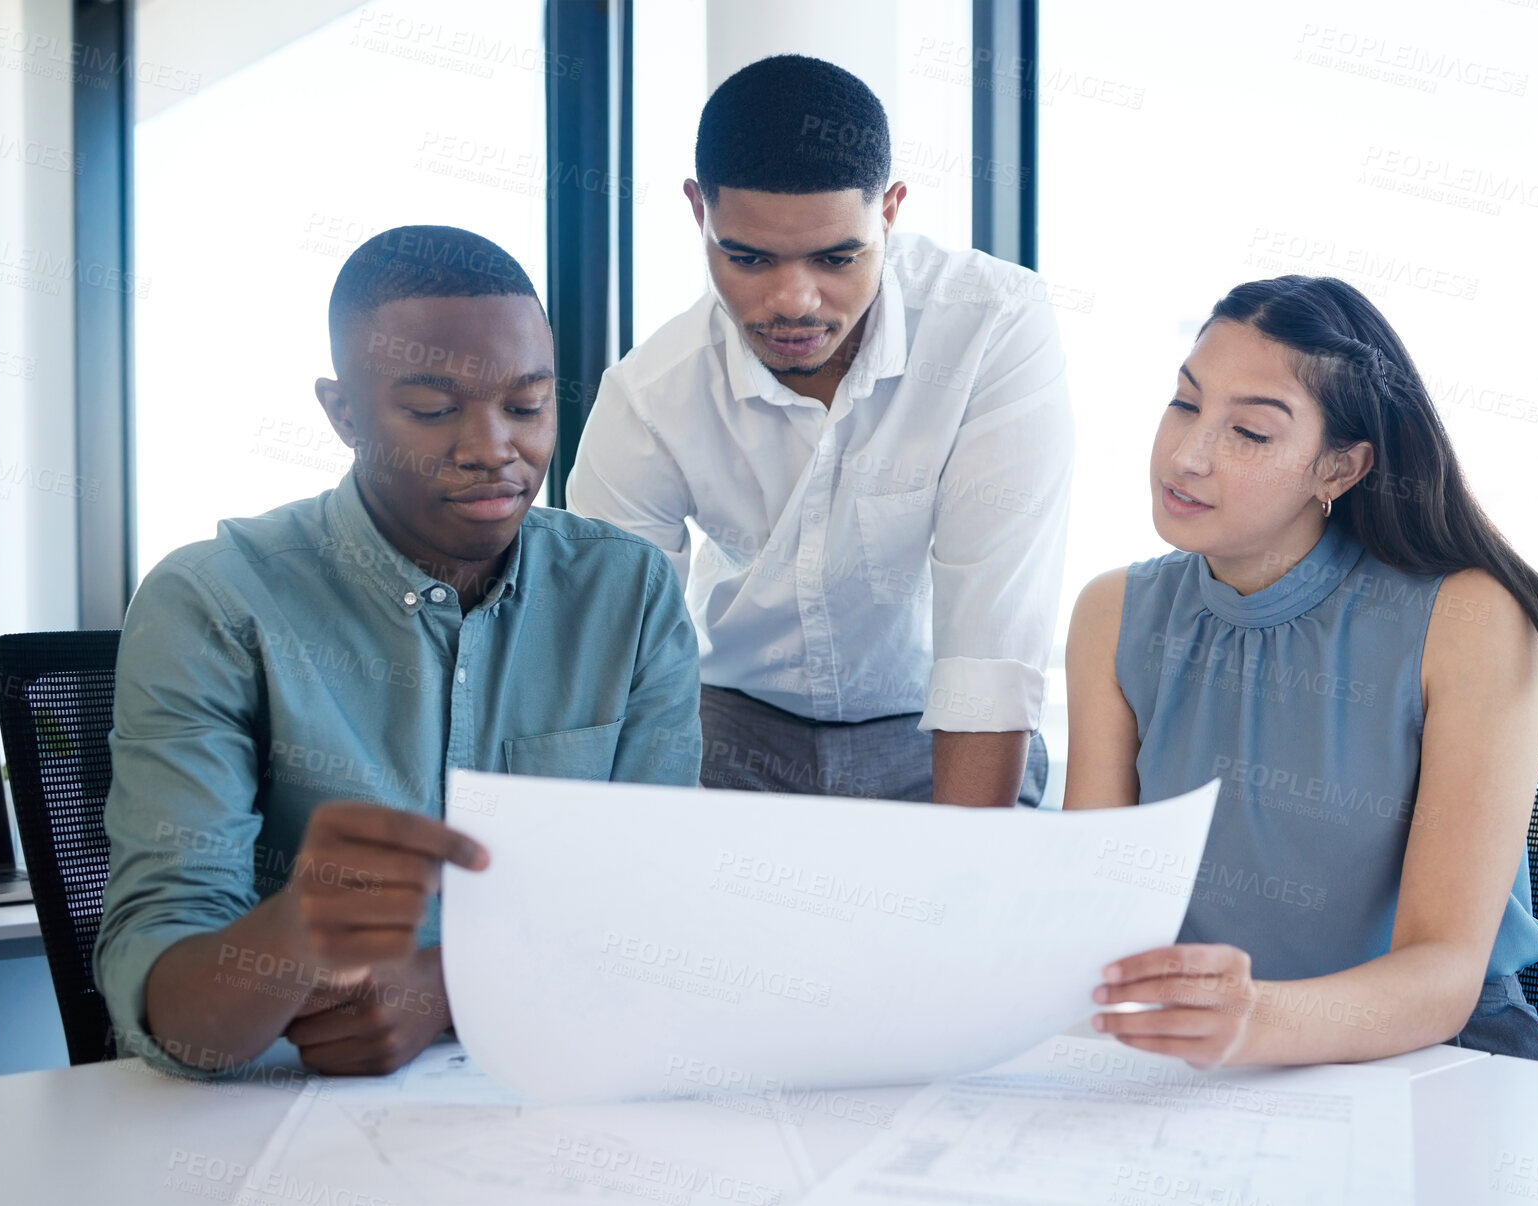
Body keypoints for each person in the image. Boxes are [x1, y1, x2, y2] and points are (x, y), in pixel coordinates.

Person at [93, 226, 702, 1077]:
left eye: (527, 406)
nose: (494, 448)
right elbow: (174, 1020)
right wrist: (299, 928)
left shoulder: (626, 593)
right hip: (284, 1108)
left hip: (552, 1081)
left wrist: (441, 991)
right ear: (342, 413)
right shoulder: (215, 603)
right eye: (432, 410)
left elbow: (655, 917)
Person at [1065, 274, 1538, 1068]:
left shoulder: (1471, 619)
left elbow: (1444, 973)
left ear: (1338, 470)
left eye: (1251, 433)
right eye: (1185, 402)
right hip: (1197, 1048)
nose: (1188, 455)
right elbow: (1094, 915)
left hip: (1435, 1047)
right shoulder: (1112, 613)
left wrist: (1256, 1020)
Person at [567, 55, 1074, 809]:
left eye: (838, 258)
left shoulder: (994, 326)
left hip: (933, 724)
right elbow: (610, 664)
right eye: (747, 258)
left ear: (891, 211)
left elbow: (990, 652)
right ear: (697, 212)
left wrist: (969, 891)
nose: (794, 302)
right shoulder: (650, 395)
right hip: (729, 725)